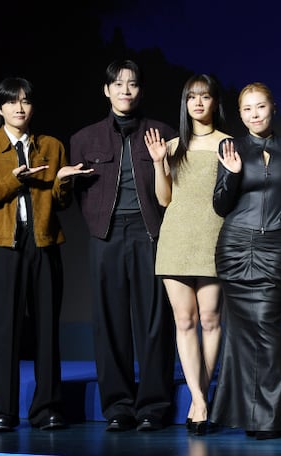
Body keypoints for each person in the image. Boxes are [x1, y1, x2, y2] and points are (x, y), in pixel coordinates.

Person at [0, 77, 92, 432]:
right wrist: (13, 179)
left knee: (46, 330)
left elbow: (62, 203)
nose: (19, 108)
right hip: (2, 247)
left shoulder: (51, 146)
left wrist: (63, 181)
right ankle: (1, 412)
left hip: (44, 244)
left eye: (25, 101)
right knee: (2, 331)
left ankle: (47, 408)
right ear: (0, 109)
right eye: (12, 101)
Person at [69, 59, 178, 432]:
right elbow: (75, 193)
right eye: (118, 84)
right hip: (107, 235)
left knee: (154, 322)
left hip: (150, 234)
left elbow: (174, 189)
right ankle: (118, 407)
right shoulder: (84, 139)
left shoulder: (163, 133)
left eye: (132, 84)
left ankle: (153, 407)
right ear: (106, 90)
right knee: (109, 322)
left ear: (140, 91)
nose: (125, 90)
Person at [209, 82, 281, 440]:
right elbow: (220, 206)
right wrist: (231, 174)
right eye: (247, 109)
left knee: (265, 327)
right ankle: (250, 416)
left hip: (275, 249)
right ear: (240, 115)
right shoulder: (232, 147)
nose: (254, 114)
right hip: (234, 248)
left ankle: (268, 417)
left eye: (260, 106)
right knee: (241, 333)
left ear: (273, 107)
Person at [147, 74, 231, 435]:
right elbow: (164, 199)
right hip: (177, 239)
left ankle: (202, 396)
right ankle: (199, 399)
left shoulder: (227, 143)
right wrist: (158, 163)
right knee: (184, 320)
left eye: (205, 96)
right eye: (191, 97)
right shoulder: (171, 146)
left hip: (214, 237)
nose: (198, 103)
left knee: (210, 319)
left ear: (215, 102)